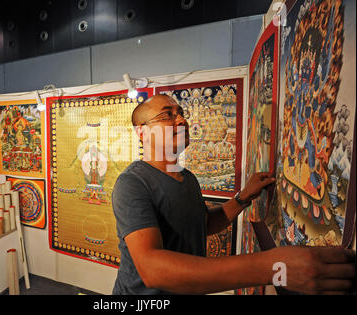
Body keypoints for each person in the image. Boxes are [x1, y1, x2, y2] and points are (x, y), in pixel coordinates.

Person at [111, 94, 355, 295]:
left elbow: (203, 224)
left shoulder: (188, 179)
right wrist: (274, 267)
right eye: (168, 115)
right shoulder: (133, 183)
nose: (182, 120)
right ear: (142, 133)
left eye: (181, 113)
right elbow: (152, 269)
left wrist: (243, 197)